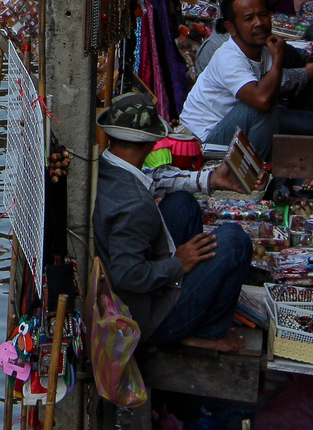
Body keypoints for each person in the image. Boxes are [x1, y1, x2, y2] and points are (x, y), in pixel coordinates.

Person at [92, 93, 255, 352]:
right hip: (146, 318)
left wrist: (209, 179)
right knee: (235, 241)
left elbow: (153, 180)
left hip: (141, 286)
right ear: (150, 143)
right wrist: (178, 264)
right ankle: (206, 331)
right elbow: (128, 275)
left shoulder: (106, 165)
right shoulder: (134, 205)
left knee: (182, 203)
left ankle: (194, 304)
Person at [178, 0, 313, 160]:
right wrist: (278, 59)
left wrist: (309, 79)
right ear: (231, 28)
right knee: (261, 104)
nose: (259, 23)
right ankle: (256, 173)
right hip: (204, 139)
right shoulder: (228, 57)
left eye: (263, 15)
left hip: (239, 123)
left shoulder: (264, 49)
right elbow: (261, 100)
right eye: (248, 19)